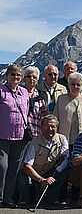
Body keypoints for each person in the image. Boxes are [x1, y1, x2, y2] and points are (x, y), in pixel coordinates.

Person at [16, 114, 69, 205]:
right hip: (31, 173)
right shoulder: (33, 143)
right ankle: (23, 199)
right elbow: (27, 167)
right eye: (47, 126)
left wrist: (57, 169)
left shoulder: (62, 139)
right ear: (41, 127)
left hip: (49, 170)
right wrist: (42, 180)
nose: (50, 129)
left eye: (53, 126)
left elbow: (65, 157)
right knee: (23, 181)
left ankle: (51, 197)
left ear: (57, 128)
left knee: (64, 171)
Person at [0, 64, 30, 207]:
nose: (15, 77)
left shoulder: (24, 93)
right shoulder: (1, 91)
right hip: (2, 136)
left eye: (18, 75)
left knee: (13, 169)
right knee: (2, 167)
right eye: (13, 74)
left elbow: (26, 112)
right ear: (7, 76)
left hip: (19, 138)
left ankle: (8, 198)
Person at [54, 72, 82, 146]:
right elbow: (55, 119)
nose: (75, 87)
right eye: (73, 84)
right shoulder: (61, 99)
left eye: (78, 85)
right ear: (68, 85)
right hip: (65, 139)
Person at [23, 66, 46, 137]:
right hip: (20, 134)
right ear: (24, 79)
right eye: (29, 76)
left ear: (37, 80)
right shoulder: (18, 94)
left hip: (35, 133)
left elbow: (43, 115)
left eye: (34, 77)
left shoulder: (40, 96)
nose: (31, 79)